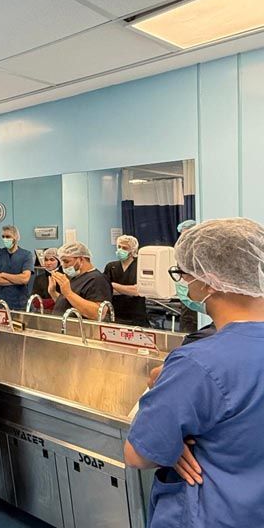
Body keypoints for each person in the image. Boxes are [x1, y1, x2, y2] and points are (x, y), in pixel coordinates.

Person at [125, 218, 264, 527]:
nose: (184, 284)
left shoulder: (198, 362)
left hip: (216, 514)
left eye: (184, 274)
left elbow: (138, 454)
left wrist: (171, 446)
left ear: (209, 281)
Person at [50, 242, 113, 319]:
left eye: (66, 261)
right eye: (62, 262)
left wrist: (68, 293)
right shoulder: (75, 277)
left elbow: (98, 313)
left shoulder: (97, 279)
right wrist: (53, 292)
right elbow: (67, 304)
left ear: (81, 259)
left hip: (80, 326)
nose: (63, 265)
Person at [103, 235, 149, 325]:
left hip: (136, 315)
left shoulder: (140, 266)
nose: (120, 250)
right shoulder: (111, 266)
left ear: (133, 250)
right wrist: (128, 290)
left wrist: (113, 285)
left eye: (124, 248)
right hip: (115, 315)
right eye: (119, 247)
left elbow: (138, 291)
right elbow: (105, 290)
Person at [0, 225, 35, 311]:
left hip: (21, 303)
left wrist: (4, 275)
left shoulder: (26, 255)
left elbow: (25, 279)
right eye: (3, 237)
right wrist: (17, 280)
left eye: (8, 236)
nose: (5, 239)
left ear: (16, 238)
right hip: (2, 303)